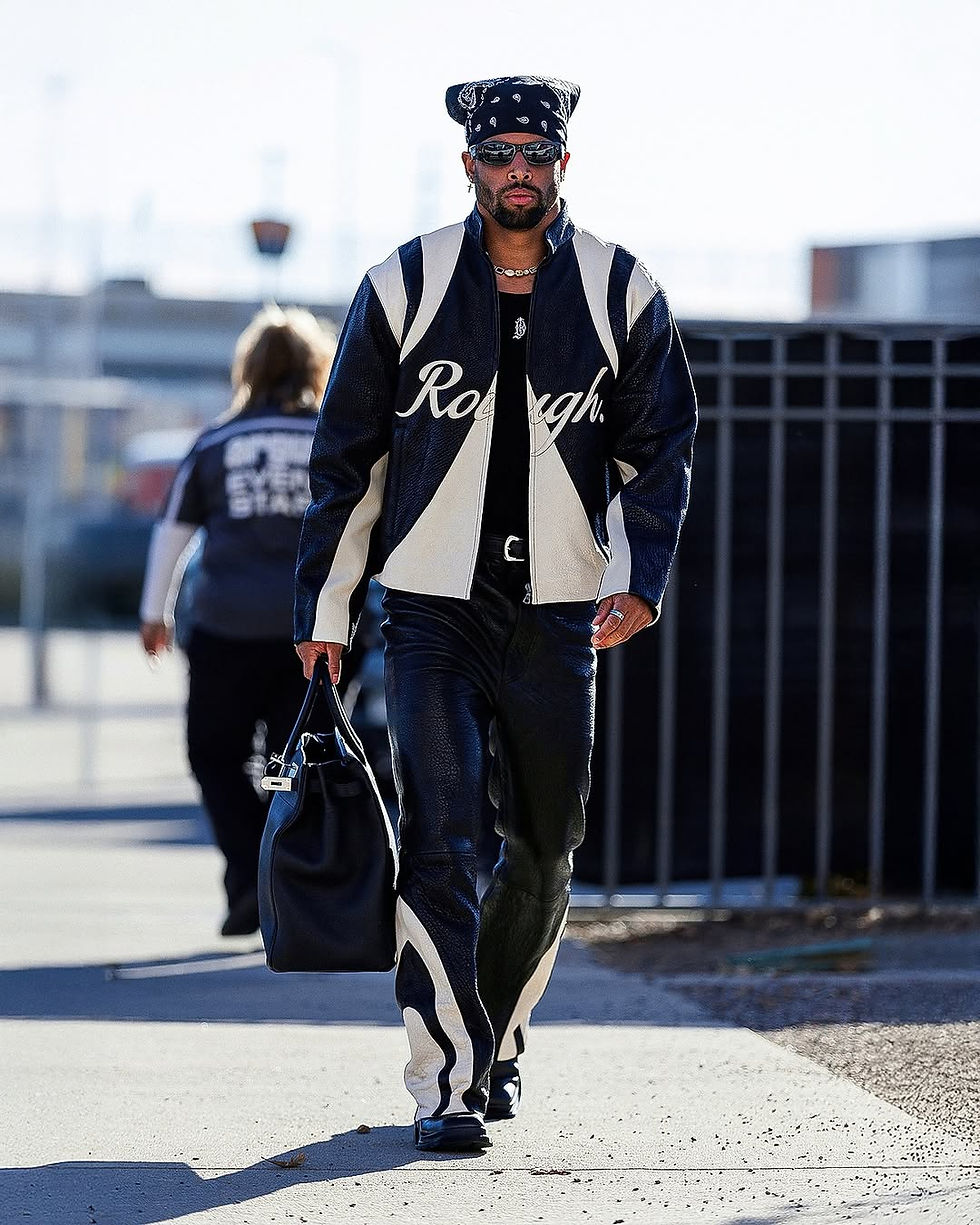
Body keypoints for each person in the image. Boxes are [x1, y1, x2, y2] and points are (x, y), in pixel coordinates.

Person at [294, 75, 697, 1152]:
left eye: (534, 154)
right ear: (467, 165)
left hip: (558, 614)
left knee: (546, 846)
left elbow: (659, 451)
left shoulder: (621, 288)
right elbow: (345, 462)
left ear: (562, 165)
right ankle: (447, 1082)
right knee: (441, 838)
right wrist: (326, 608)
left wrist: (637, 572)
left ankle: (499, 1032)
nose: (516, 172)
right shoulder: (403, 282)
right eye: (497, 154)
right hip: (427, 609)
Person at [140, 305, 336, 937]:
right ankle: (286, 884)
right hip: (314, 630)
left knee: (215, 755)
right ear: (315, 368)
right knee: (296, 763)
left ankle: (248, 870)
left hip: (226, 626)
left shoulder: (217, 441)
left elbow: (173, 533)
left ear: (247, 369)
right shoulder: (335, 440)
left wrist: (155, 613)